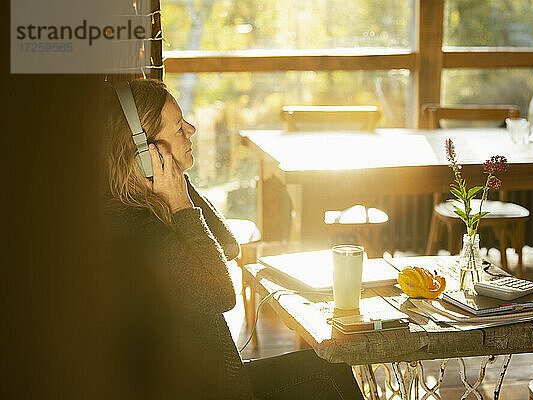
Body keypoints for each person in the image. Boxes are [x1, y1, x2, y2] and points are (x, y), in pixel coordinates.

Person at [101, 78, 364, 400]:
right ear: (144, 152)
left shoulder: (147, 202)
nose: (192, 129)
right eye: (179, 129)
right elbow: (221, 295)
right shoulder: (137, 226)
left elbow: (226, 245)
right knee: (328, 373)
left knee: (329, 367)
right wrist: (181, 204)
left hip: (217, 382)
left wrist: (174, 179)